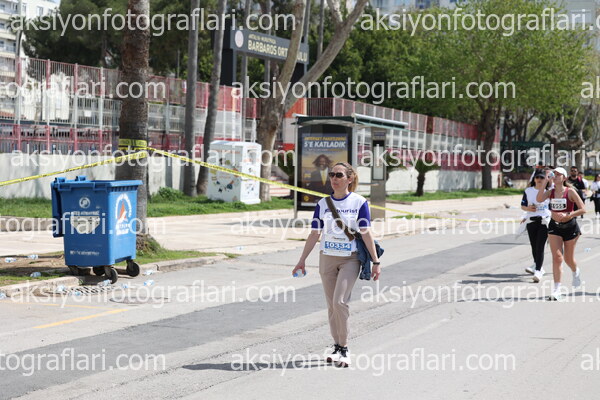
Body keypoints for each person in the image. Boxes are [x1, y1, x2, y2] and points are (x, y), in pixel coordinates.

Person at [293, 162, 381, 368]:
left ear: (350, 178)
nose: (334, 178)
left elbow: (366, 233)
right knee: (331, 306)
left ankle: (344, 347)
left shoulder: (359, 202)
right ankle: (336, 346)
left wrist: (376, 261)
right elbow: (315, 233)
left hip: (350, 258)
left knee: (340, 301)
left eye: (339, 175)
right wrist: (302, 260)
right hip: (327, 258)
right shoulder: (322, 204)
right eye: (331, 174)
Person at [536, 167, 586, 301]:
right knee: (557, 257)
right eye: (554, 174)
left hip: (570, 227)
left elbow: (583, 209)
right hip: (554, 227)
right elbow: (539, 199)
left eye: (559, 174)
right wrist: (545, 181)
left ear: (564, 178)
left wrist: (569, 215)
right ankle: (557, 290)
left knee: (568, 259)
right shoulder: (550, 192)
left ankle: (575, 271)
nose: (556, 176)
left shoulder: (570, 192)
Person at [521, 169, 551, 283]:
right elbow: (522, 205)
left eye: (542, 178)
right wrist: (528, 209)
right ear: (534, 179)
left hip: (544, 221)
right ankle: (539, 266)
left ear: (545, 180)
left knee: (540, 246)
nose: (539, 179)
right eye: (537, 177)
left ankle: (538, 270)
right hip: (531, 221)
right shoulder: (528, 191)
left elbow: (552, 208)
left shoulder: (549, 192)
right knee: (534, 246)